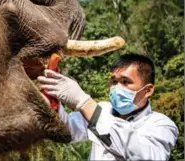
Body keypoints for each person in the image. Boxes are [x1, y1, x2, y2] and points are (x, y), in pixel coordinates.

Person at [38, 53, 179, 161]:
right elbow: (68, 130)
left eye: (125, 82)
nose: (116, 88)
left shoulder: (162, 125)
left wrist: (83, 101)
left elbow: (145, 155)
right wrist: (52, 102)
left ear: (148, 90)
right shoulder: (103, 109)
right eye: (114, 81)